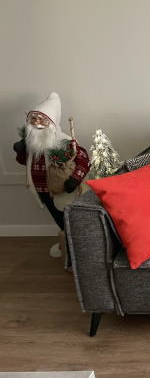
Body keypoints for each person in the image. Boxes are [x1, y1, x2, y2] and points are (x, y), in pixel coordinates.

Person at [13, 92, 90, 258]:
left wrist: (74, 179)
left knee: (70, 219)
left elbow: (83, 159)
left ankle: (77, 250)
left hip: (63, 191)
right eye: (33, 119)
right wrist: (21, 152)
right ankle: (66, 246)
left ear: (51, 122)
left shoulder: (64, 141)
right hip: (42, 191)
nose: (36, 123)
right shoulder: (31, 143)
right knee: (59, 220)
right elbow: (25, 163)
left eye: (42, 119)